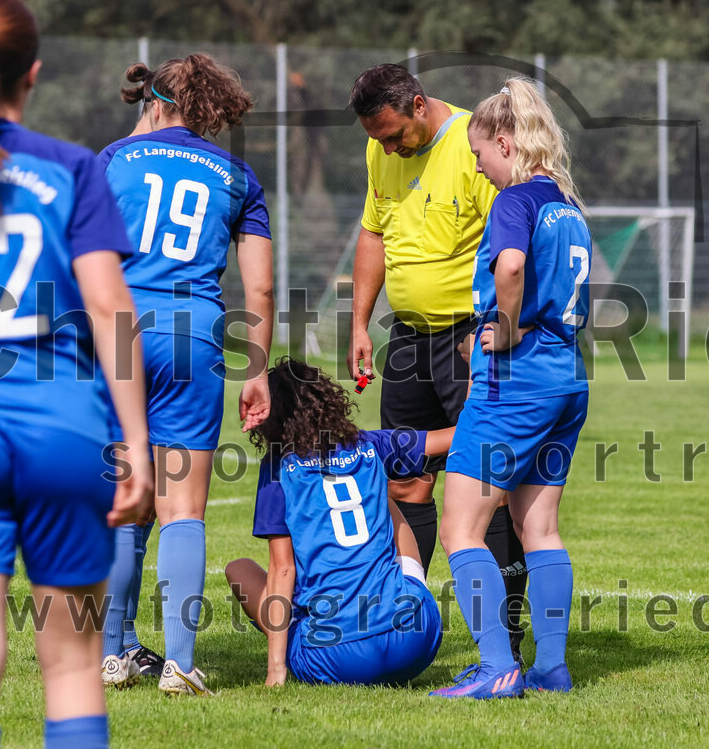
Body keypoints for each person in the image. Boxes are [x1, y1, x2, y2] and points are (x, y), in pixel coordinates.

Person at [0, 0, 152, 749]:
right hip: (64, 427)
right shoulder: (70, 168)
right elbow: (110, 308)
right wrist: (136, 441)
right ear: (33, 72)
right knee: (71, 664)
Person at [97, 54, 274, 695]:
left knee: (125, 498)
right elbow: (261, 289)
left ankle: (111, 656)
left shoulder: (113, 159)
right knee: (182, 508)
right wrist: (255, 370)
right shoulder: (238, 175)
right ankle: (179, 664)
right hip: (193, 334)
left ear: (155, 101)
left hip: (119, 328)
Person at [347, 63, 528, 659]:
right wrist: (359, 323)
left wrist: (492, 332)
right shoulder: (382, 151)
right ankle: (405, 618)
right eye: (378, 139)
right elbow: (374, 235)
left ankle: (504, 629)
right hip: (408, 339)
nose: (388, 147)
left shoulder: (470, 145)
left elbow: (511, 237)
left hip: (469, 341)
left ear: (420, 105)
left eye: (394, 135)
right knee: (405, 480)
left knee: (484, 482)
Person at [430, 78, 592, 699]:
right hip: (566, 380)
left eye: (480, 155)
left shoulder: (516, 199)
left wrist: (504, 325)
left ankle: (497, 667)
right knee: (539, 527)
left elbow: (514, 267)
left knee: (461, 529)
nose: (479, 166)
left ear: (505, 141)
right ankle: (552, 669)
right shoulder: (565, 204)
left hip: (516, 384)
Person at [225, 357, 446, 686]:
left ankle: (299, 648)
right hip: (415, 640)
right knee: (381, 495)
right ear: (327, 399)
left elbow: (283, 570)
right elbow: (454, 437)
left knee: (238, 569)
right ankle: (398, 598)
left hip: (338, 657)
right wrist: (478, 382)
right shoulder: (371, 444)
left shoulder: (278, 470)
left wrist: (276, 669)